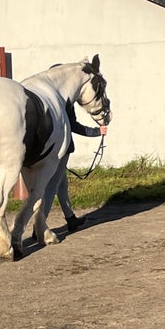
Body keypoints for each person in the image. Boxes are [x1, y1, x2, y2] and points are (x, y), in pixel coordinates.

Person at [57, 99, 107, 231]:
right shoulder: (66, 103)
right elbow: (74, 126)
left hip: (50, 150)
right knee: (51, 188)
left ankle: (70, 218)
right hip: (61, 150)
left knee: (61, 185)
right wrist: (96, 132)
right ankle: (38, 227)